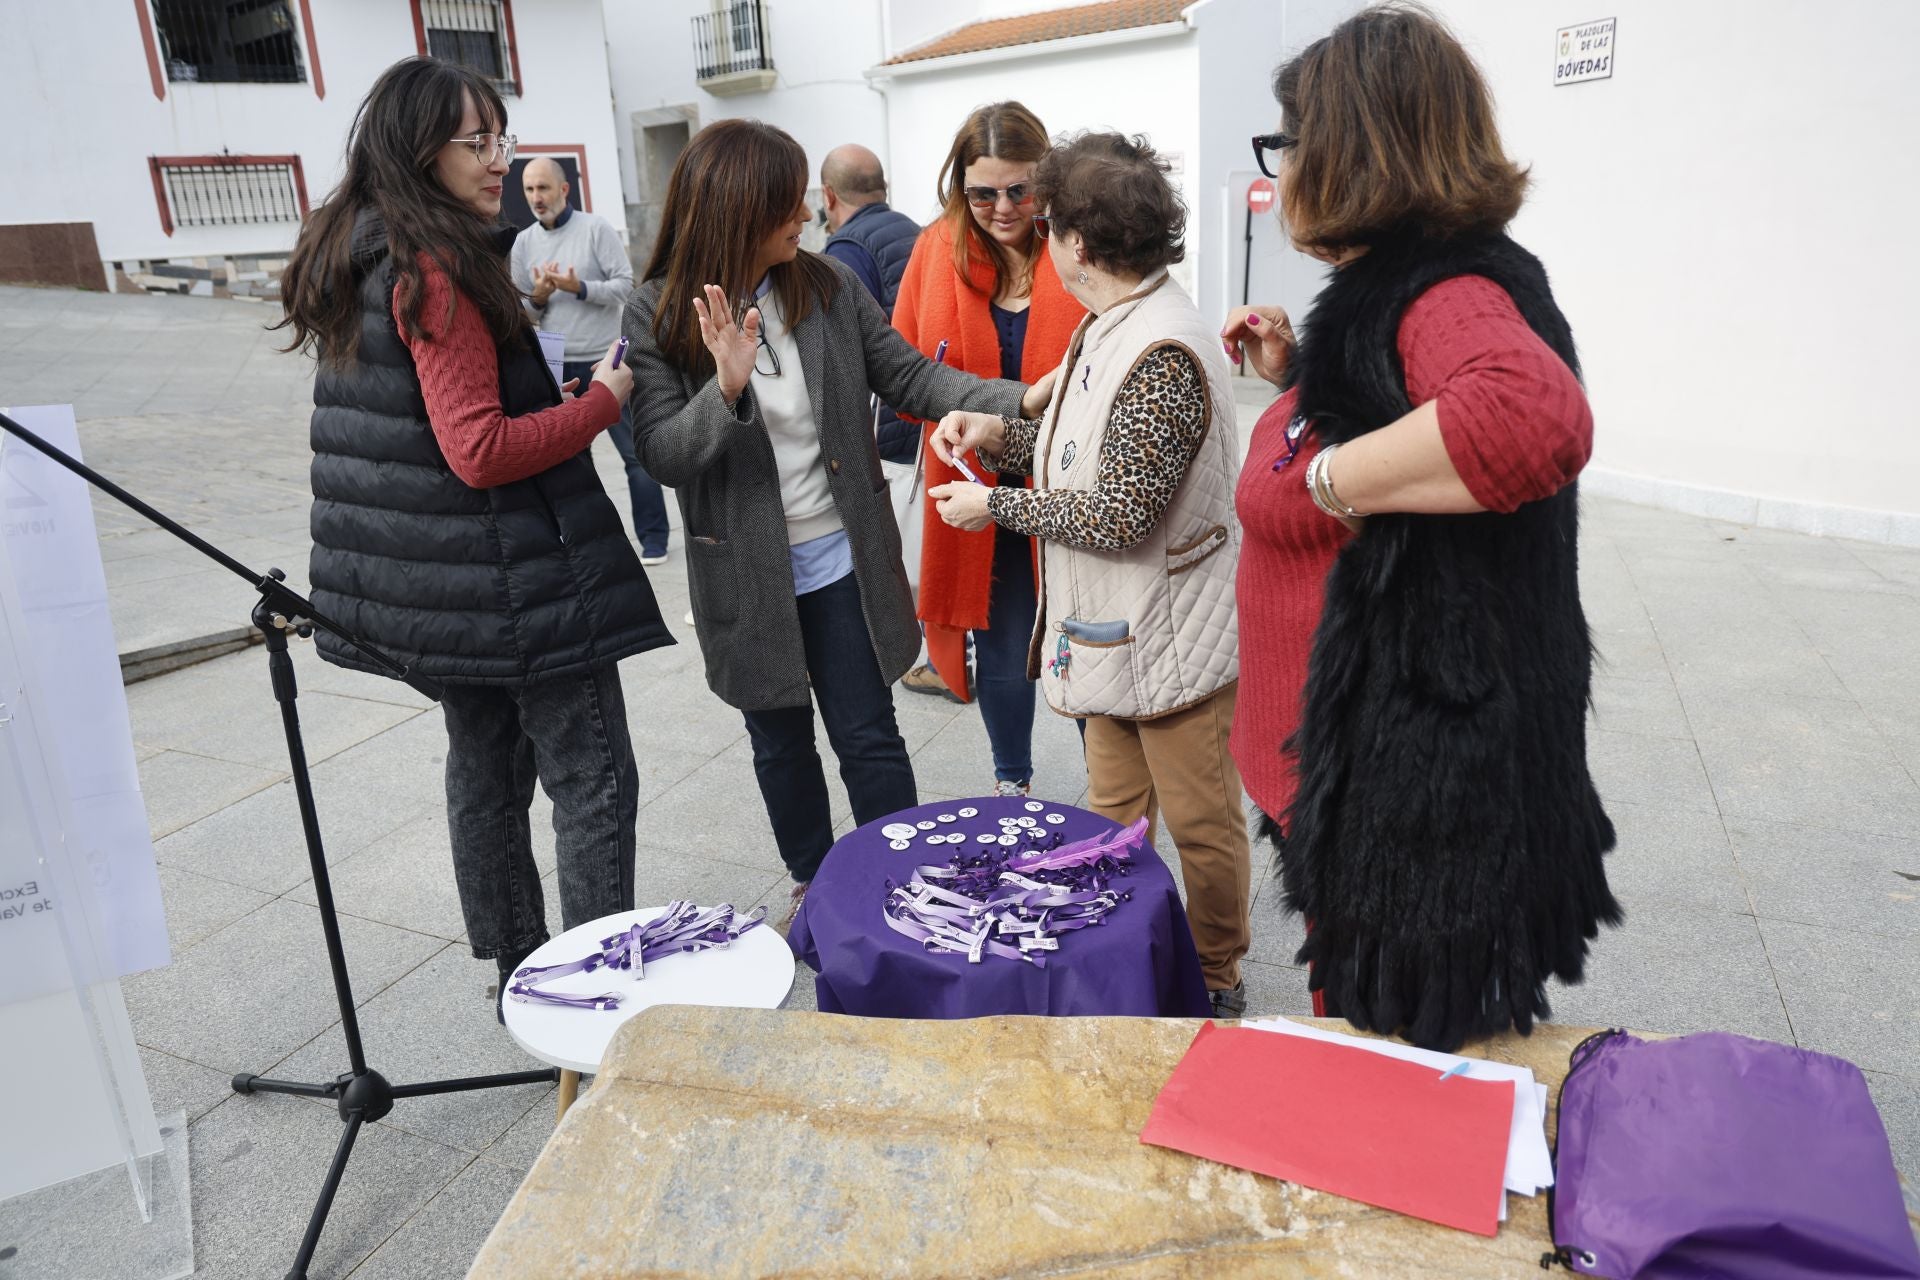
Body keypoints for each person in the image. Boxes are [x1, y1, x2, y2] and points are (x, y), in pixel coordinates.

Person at [1223, 5, 1619, 1052]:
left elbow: (1530, 415)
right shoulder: (1415, 277)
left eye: (1291, 141)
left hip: (1406, 782)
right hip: (1363, 760)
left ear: (1352, 147)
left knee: (1391, 1051)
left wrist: (1331, 476)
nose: (1285, 167)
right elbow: (1407, 400)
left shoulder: (1442, 293)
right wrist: (1299, 377)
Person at [277, 58, 672, 1018]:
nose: (502, 159)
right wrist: (602, 404)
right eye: (477, 142)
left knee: (487, 768)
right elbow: (480, 449)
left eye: (503, 136)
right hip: (513, 583)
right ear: (420, 149)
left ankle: (517, 970)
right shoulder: (434, 264)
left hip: (441, 587)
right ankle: (589, 989)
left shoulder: (361, 244)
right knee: (592, 778)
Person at [622, 119, 1054, 922]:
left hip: (841, 556)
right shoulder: (656, 311)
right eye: (789, 202)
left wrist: (1020, 398)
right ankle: (816, 883)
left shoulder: (822, 287)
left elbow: (911, 379)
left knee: (868, 733)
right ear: (739, 208)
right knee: (779, 742)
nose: (809, 216)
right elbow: (661, 456)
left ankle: (899, 880)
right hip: (748, 574)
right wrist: (724, 388)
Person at [928, 132, 1252, 1017]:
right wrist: (994, 432)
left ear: (1075, 242)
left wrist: (991, 507)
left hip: (1171, 630)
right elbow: (1080, 452)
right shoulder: (1115, 323)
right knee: (1110, 811)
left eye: (1048, 222)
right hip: (1114, 628)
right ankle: (1119, 948)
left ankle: (1218, 972)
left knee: (1200, 822)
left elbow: (1118, 512)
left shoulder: (1160, 350)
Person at [891, 102, 1085, 797]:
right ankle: (1013, 786)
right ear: (959, 188)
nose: (1003, 208)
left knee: (1090, 640)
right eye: (983, 193)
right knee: (999, 646)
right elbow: (905, 372)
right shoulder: (933, 251)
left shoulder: (1081, 242)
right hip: (977, 489)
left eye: (1021, 190)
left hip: (1070, 487)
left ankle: (1115, 788)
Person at [511, 157, 672, 565]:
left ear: (564, 189)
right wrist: (542, 295)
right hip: (556, 367)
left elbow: (625, 286)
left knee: (635, 455)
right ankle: (578, 545)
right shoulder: (523, 242)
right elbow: (521, 312)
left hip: (606, 361)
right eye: (529, 189)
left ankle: (653, 539)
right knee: (563, 461)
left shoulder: (596, 229)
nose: (536, 197)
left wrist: (577, 286)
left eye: (543, 188)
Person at [819, 143, 924, 467]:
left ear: (829, 195)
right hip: (927, 412)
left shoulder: (846, 250)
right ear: (884, 187)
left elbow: (840, 354)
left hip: (887, 432)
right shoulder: (916, 231)